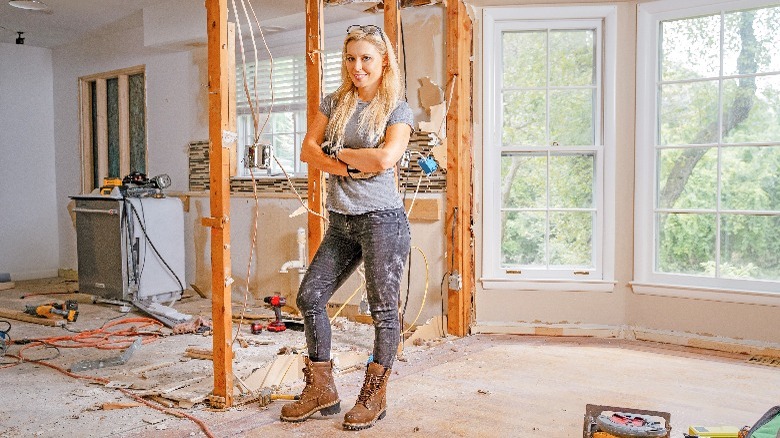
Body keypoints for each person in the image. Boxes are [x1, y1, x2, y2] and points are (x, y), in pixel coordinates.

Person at [279, 24, 414, 431]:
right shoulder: (334, 102)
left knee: (384, 312)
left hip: (382, 221)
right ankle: (322, 390)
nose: (357, 67)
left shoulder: (397, 107)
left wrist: (338, 155)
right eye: (351, 58)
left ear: (383, 60)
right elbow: (307, 150)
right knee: (309, 296)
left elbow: (386, 158)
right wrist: (351, 162)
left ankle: (373, 397)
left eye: (366, 58)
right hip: (342, 221)